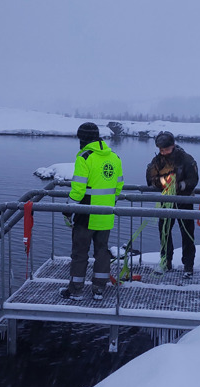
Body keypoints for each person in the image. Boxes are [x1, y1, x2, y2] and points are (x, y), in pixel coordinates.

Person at [60, 122, 125, 301]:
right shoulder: (114, 157)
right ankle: (98, 289)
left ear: (82, 138)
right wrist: (108, 202)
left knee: (80, 253)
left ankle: (75, 290)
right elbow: (119, 186)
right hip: (106, 213)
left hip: (85, 213)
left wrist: (68, 209)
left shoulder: (85, 157)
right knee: (102, 252)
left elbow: (78, 190)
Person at [146, 131, 200, 277]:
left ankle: (188, 266)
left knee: (187, 234)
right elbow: (150, 178)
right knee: (164, 232)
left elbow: (194, 180)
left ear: (173, 146)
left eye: (165, 149)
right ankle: (166, 262)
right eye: (161, 150)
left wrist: (178, 185)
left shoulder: (187, 159)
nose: (163, 153)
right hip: (166, 201)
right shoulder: (157, 160)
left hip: (185, 201)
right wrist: (162, 182)